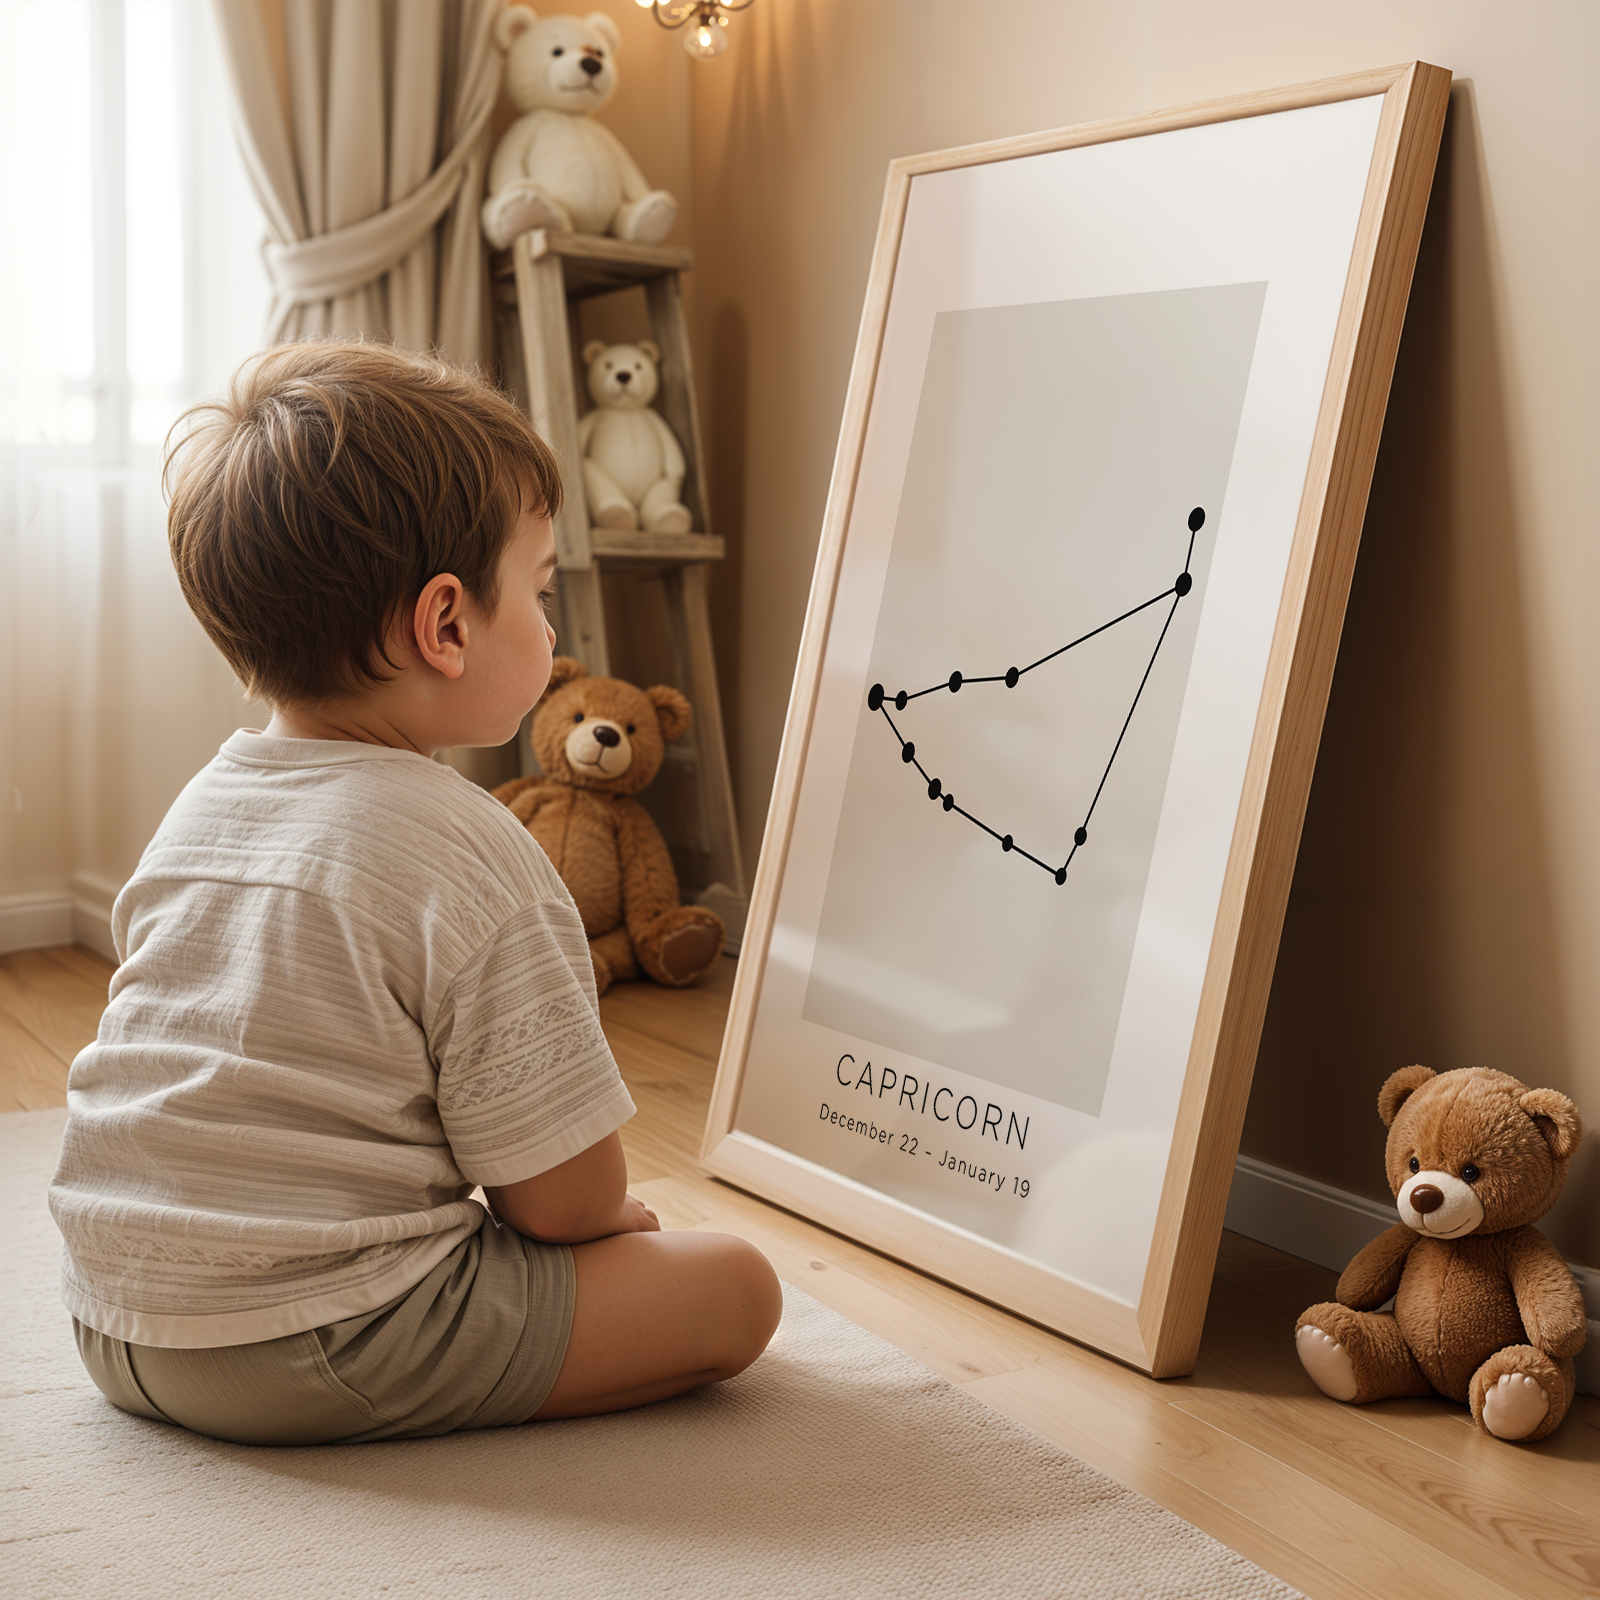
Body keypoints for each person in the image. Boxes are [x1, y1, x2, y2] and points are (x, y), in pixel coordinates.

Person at [47, 340, 782, 1447]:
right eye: (538, 593)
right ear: (445, 627)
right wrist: (612, 1224)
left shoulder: (204, 803)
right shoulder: (469, 847)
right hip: (308, 1339)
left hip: (114, 1318)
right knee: (735, 1285)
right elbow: (558, 1202)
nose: (552, 631)